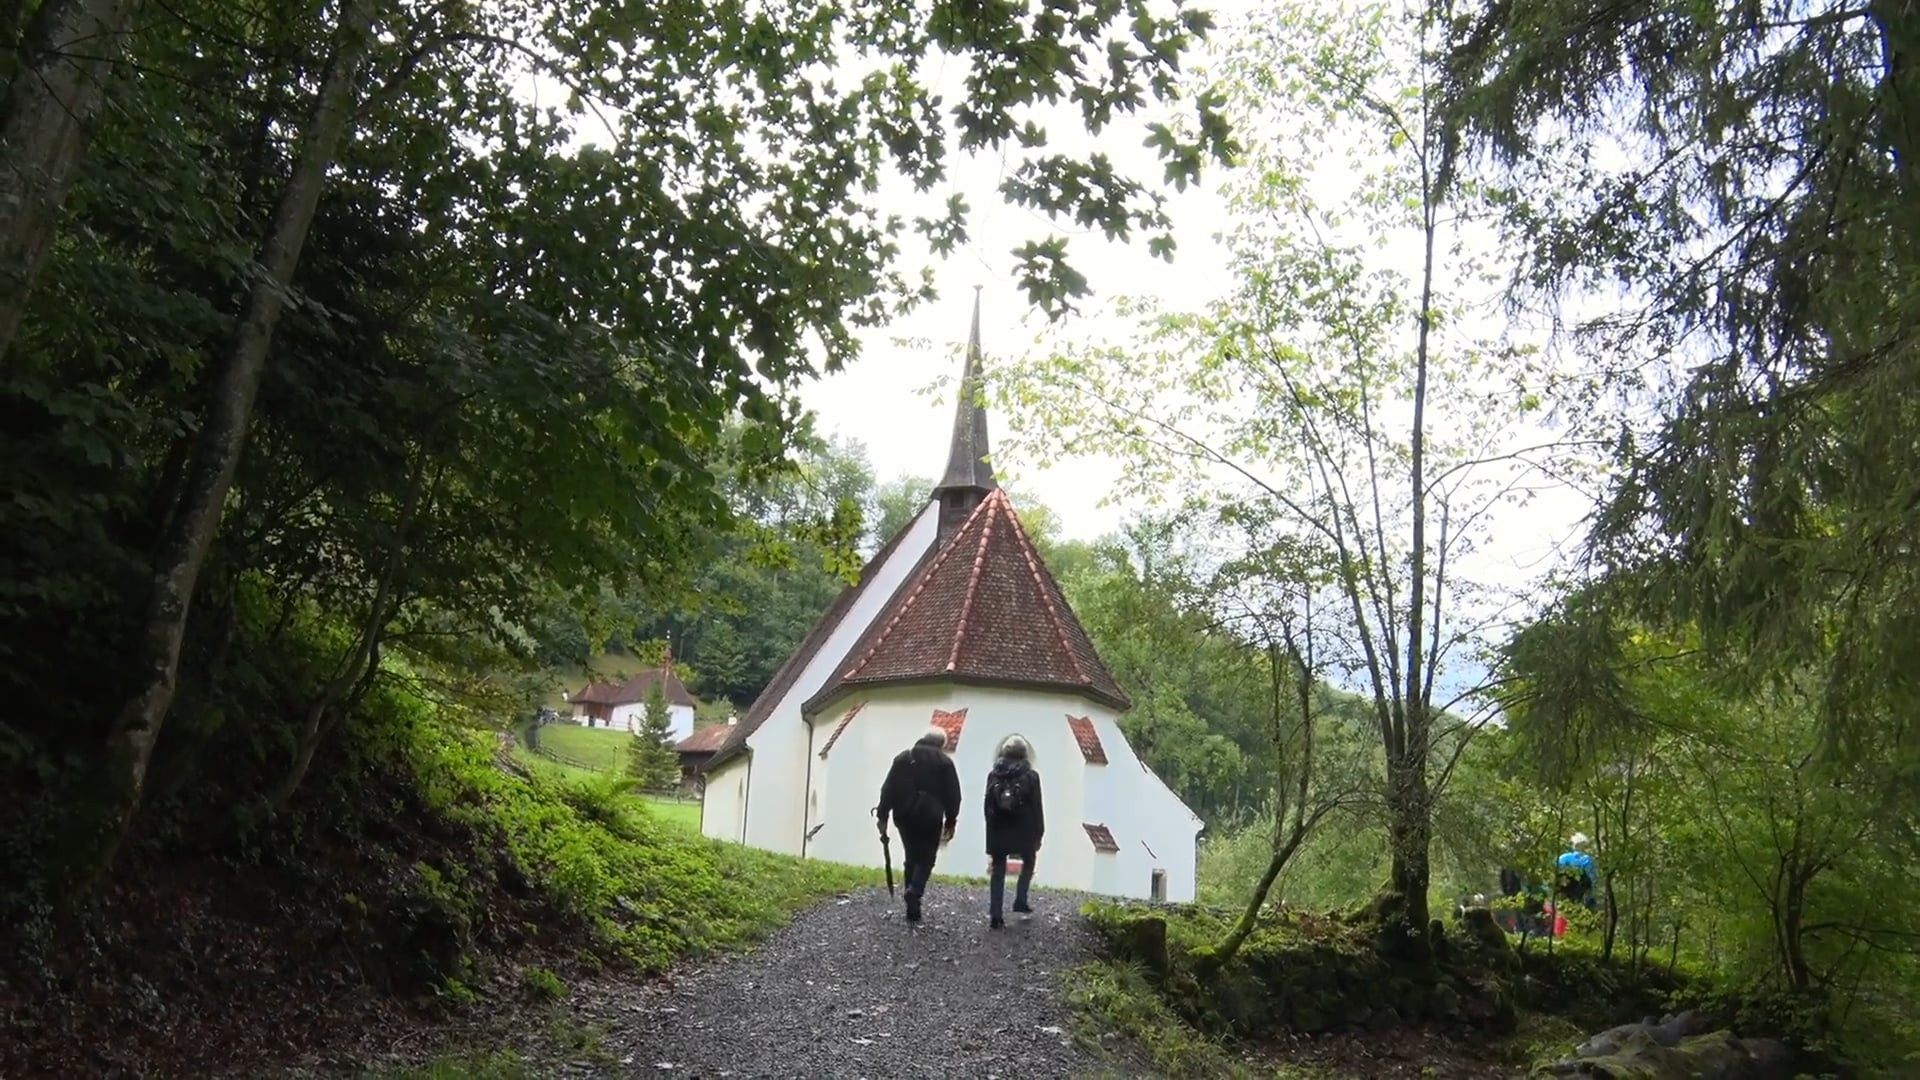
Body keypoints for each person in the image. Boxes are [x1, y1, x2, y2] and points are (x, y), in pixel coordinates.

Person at [876, 726, 961, 923]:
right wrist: (951, 820)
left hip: (904, 815)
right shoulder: (945, 763)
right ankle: (914, 891)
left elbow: (888, 789)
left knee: (911, 856)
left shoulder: (903, 758)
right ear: (942, 744)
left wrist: (882, 816)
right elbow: (953, 795)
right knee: (927, 858)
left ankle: (911, 906)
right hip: (931, 817)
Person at [982, 736, 1044, 929]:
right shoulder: (1031, 776)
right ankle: (1020, 899)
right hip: (1024, 828)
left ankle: (995, 913)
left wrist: (990, 825)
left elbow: (987, 804)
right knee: (1029, 862)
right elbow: (1036, 806)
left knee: (997, 870)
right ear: (1024, 754)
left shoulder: (994, 774)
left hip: (998, 827)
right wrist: (1039, 831)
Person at [1555, 831, 1599, 911]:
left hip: (1563, 893)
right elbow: (1592, 878)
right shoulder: (1586, 859)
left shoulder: (1562, 858)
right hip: (1580, 892)